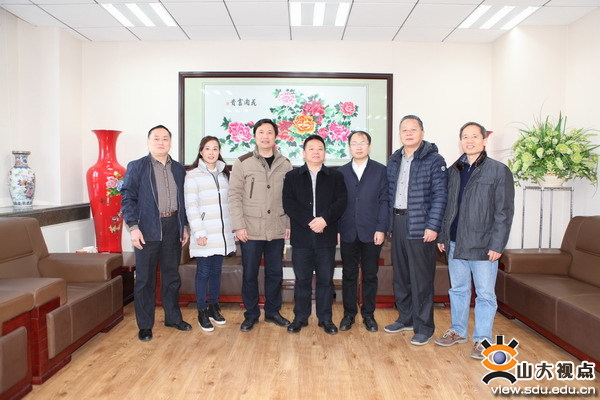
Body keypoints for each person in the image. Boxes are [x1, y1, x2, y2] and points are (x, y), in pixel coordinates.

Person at [434, 122, 514, 359]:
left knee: (485, 294)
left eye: (474, 136)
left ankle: (482, 339)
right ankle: (458, 331)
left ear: (484, 140)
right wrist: (443, 235)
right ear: (460, 141)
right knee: (458, 290)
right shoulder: (453, 170)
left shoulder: (498, 171)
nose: (469, 141)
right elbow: (447, 206)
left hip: (483, 245)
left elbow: (504, 212)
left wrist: (497, 244)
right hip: (455, 242)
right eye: (465, 137)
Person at [121, 124, 192, 342]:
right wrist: (133, 227)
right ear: (148, 142)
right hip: (146, 228)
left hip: (173, 226)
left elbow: (184, 201)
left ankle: (173, 318)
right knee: (145, 280)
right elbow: (128, 198)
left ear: (170, 142)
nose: (161, 142)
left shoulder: (179, 169)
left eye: (165, 138)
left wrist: (184, 225)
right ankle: (145, 325)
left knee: (172, 277)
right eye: (156, 138)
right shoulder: (137, 167)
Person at [385, 115, 448, 346]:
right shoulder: (394, 159)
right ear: (400, 134)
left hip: (421, 226)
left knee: (421, 278)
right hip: (397, 222)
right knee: (401, 276)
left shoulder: (434, 159)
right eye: (404, 130)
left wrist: (433, 226)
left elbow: (441, 195)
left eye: (413, 129)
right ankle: (406, 318)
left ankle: (424, 327)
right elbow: (389, 194)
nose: (408, 133)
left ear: (422, 132)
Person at [228, 118, 293, 332]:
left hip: (276, 227)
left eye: (269, 132)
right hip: (250, 228)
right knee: (250, 274)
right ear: (255, 136)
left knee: (275, 273)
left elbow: (290, 197)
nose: (265, 136)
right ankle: (251, 314)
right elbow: (234, 196)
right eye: (261, 132)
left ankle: (273, 312)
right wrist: (238, 226)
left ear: (276, 136)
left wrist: (288, 223)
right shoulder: (243, 162)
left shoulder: (285, 163)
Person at [283, 134, 347, 335]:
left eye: (320, 148)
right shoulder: (292, 176)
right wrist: (310, 221)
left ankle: (325, 319)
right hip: (301, 237)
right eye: (311, 149)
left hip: (326, 237)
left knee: (325, 280)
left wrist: (324, 220)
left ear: (325, 153)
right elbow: (288, 203)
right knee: (302, 280)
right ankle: (300, 318)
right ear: (304, 153)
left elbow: (341, 201)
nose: (316, 152)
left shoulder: (335, 176)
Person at [338, 131, 389, 332]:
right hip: (348, 231)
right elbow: (337, 203)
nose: (358, 147)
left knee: (370, 275)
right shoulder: (341, 172)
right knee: (349, 274)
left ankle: (368, 314)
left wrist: (381, 228)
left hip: (372, 232)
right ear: (349, 146)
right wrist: (338, 229)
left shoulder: (380, 170)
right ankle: (349, 314)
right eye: (354, 143)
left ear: (369, 146)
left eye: (363, 143)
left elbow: (384, 201)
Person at [184, 136, 236, 332]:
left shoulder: (225, 174)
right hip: (204, 234)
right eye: (207, 148)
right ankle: (201, 311)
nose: (211, 152)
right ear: (201, 151)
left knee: (216, 272)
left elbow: (230, 205)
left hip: (221, 234)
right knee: (203, 272)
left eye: (215, 148)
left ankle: (214, 307)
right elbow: (191, 207)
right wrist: (199, 232)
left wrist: (233, 229)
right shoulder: (192, 175)